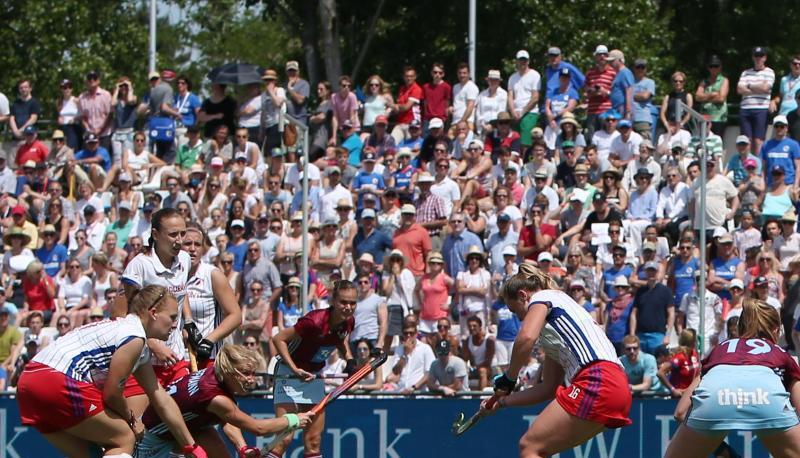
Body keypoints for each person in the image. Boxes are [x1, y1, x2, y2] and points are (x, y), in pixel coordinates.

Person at [16, 285, 208, 458]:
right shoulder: (134, 337)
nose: (175, 325)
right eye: (173, 317)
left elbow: (161, 398)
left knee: (93, 454)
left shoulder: (129, 335)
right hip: (56, 378)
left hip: (28, 382)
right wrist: (132, 421)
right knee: (124, 437)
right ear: (153, 313)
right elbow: (112, 394)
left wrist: (190, 446)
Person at [483, 264, 631, 457]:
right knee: (540, 450)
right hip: (618, 387)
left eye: (515, 310)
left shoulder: (542, 297)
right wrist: (502, 401)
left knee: (529, 447)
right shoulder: (555, 328)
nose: (518, 318)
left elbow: (526, 338)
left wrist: (509, 378)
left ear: (523, 295)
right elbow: (548, 388)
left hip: (598, 380)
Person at [665, 299, 800, 458]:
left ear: (740, 327)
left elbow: (680, 412)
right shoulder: (781, 353)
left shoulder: (719, 349)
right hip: (768, 400)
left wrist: (724, 451)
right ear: (776, 330)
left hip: (714, 400)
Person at [138, 344, 313, 458]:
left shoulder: (215, 374)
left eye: (253, 373)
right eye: (246, 373)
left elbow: (227, 418)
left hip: (191, 428)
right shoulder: (215, 396)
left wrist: (242, 448)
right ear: (229, 371)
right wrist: (294, 419)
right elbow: (258, 428)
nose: (252, 379)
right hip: (154, 438)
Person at [112, 208, 193, 418]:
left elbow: (180, 296)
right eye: (173, 234)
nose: (180, 240)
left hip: (175, 358)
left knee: (187, 421)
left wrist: (188, 322)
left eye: (182, 233)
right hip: (142, 361)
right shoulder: (139, 266)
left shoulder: (185, 260)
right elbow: (120, 315)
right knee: (135, 425)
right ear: (155, 235)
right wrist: (153, 344)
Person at [269, 280, 358, 458]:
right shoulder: (314, 321)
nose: (348, 307)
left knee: (314, 441)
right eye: (343, 302)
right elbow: (278, 339)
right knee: (284, 438)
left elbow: (340, 338)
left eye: (352, 303)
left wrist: (349, 359)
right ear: (333, 301)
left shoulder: (348, 322)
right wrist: (294, 369)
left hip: (313, 376)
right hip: (289, 374)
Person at [182, 223, 241, 369]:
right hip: (175, 358)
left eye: (197, 244)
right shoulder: (169, 275)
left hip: (207, 357)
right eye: (187, 244)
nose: (192, 249)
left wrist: (208, 341)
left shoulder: (212, 275)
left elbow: (235, 316)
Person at [630, 261, 675, 354]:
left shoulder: (666, 291)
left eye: (653, 271)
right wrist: (632, 334)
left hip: (658, 335)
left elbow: (671, 314)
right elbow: (634, 313)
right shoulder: (640, 291)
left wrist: (667, 335)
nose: (651, 273)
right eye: (649, 271)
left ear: (657, 272)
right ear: (645, 272)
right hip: (641, 335)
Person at [737, 46, 775, 155]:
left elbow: (766, 88)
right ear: (753, 57)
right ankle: (747, 164)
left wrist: (748, 86)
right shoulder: (745, 73)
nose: (758, 58)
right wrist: (758, 87)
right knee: (746, 141)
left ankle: (758, 164)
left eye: (761, 56)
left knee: (758, 141)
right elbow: (739, 89)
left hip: (761, 109)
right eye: (756, 55)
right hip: (745, 109)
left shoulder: (769, 72)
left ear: (765, 58)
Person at [386, 321, 435, 393]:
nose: (408, 335)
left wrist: (414, 387)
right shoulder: (399, 349)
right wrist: (405, 355)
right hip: (401, 392)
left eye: (411, 333)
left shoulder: (425, 348)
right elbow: (395, 371)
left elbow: (429, 373)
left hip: (418, 393)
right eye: (406, 333)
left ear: (416, 334)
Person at [507, 50, 541, 147]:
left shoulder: (535, 75)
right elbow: (510, 96)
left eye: (525, 60)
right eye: (520, 60)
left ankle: (526, 156)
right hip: (515, 114)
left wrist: (522, 112)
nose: (523, 62)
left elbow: (535, 97)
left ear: (528, 61)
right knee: (514, 141)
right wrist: (513, 111)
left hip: (530, 113)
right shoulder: (512, 78)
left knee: (525, 142)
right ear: (517, 61)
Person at [695, 55, 729, 136]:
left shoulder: (724, 80)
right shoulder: (704, 81)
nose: (713, 69)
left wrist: (704, 97)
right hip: (705, 117)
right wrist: (712, 94)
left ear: (720, 67)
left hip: (719, 117)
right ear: (708, 68)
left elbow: (721, 98)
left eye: (716, 66)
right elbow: (697, 97)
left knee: (717, 140)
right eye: (711, 66)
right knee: (703, 140)